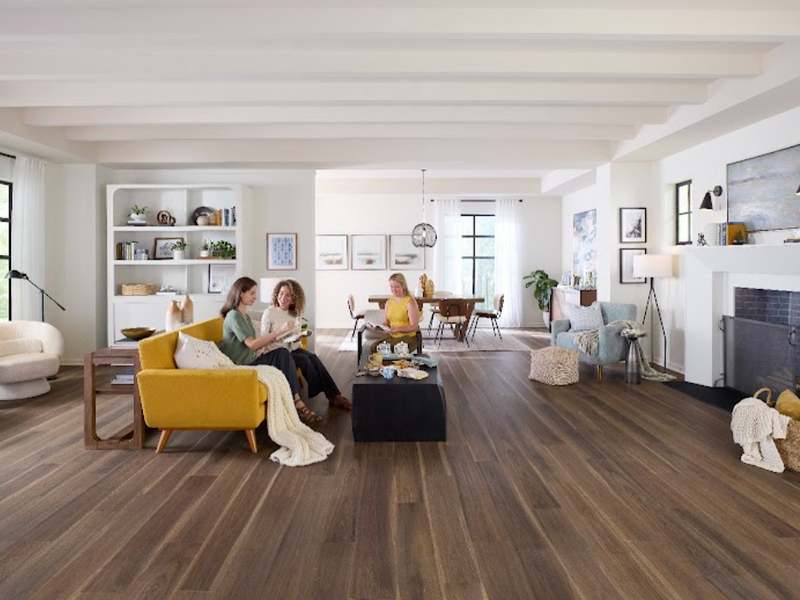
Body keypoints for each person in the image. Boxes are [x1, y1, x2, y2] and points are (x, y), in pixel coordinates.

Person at [218, 277, 322, 423]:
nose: (255, 297)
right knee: (284, 354)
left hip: (252, 359)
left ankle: (296, 400)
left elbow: (258, 345)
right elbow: (253, 345)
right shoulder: (234, 316)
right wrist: (280, 330)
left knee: (286, 354)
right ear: (241, 293)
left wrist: (287, 337)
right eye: (252, 293)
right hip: (243, 366)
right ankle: (297, 402)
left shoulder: (245, 317)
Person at [261, 279, 352, 410]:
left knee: (313, 357)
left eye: (288, 295)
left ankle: (335, 395)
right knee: (303, 359)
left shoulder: (294, 314)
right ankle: (325, 393)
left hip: (290, 348)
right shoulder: (269, 313)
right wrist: (281, 333)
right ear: (276, 294)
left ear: (294, 298)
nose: (283, 297)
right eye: (281, 293)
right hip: (276, 352)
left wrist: (297, 338)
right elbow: (264, 339)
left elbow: (293, 337)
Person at [368, 273, 420, 353]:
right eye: (391, 287)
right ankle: (383, 365)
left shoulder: (410, 302)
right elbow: (386, 322)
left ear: (403, 286)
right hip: (392, 335)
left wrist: (398, 329)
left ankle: (394, 364)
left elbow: (414, 327)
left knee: (386, 349)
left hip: (408, 337)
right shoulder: (389, 302)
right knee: (374, 347)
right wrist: (380, 326)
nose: (393, 290)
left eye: (396, 287)